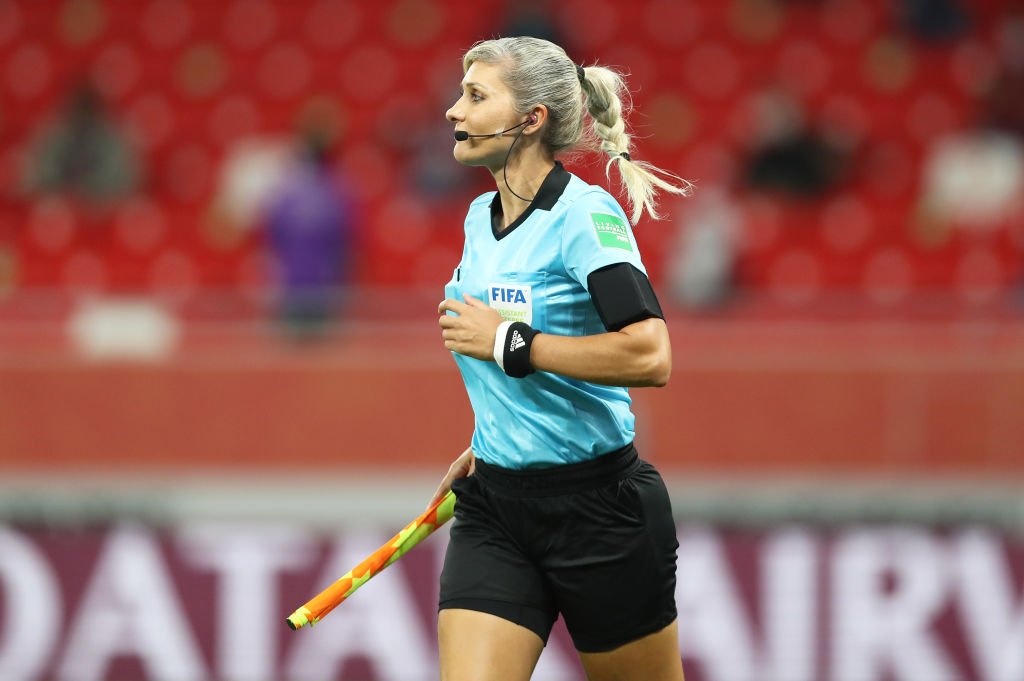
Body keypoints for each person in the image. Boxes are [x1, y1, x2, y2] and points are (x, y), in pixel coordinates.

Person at [429, 36, 690, 681]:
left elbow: (650, 353)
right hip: (495, 504)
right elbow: (502, 350)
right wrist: (497, 433)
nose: (453, 112)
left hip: (600, 512)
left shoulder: (586, 217)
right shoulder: (476, 216)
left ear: (531, 119)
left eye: (476, 96)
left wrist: (512, 346)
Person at [265, 127, 352, 339]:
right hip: (316, 288)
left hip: (305, 288)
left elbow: (271, 239)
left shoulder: (286, 193)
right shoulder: (338, 191)